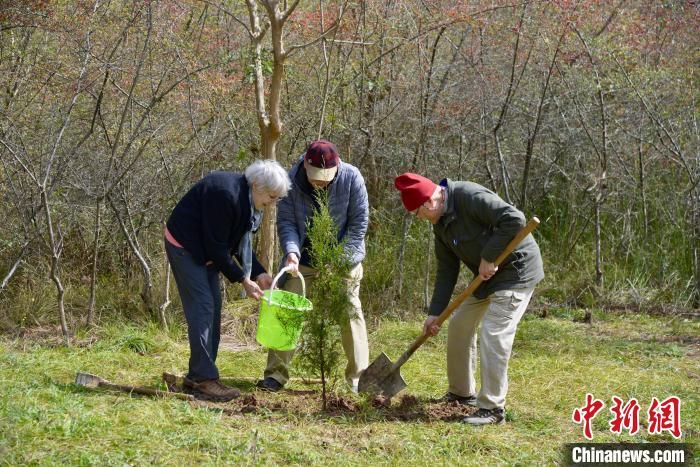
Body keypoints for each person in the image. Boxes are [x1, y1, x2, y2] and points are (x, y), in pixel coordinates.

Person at [394, 173, 544, 425]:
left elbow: (514, 219)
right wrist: (435, 312)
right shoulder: (440, 224)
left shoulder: (468, 196)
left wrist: (488, 255)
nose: (420, 219)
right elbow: (446, 270)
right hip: (486, 278)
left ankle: (493, 409)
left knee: (494, 333)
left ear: (429, 202)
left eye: (418, 214)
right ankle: (461, 394)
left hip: (517, 270)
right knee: (459, 325)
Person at [165, 160, 291, 401]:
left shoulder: (246, 201)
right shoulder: (226, 196)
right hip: (184, 245)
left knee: (213, 307)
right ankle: (203, 379)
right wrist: (243, 279)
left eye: (277, 199)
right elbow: (218, 248)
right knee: (203, 306)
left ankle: (199, 376)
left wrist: (259, 273)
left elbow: (235, 242)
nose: (272, 204)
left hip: (206, 249)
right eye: (271, 197)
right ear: (256, 185)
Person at [256, 140, 370, 392]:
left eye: (325, 178)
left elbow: (358, 228)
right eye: (315, 178)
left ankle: (358, 379)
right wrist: (292, 253)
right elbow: (286, 222)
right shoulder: (290, 181)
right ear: (305, 164)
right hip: (302, 261)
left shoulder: (353, 179)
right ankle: (275, 375)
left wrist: (338, 262)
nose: (320, 182)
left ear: (337, 166)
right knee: (287, 309)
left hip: (343, 260)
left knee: (350, 309)